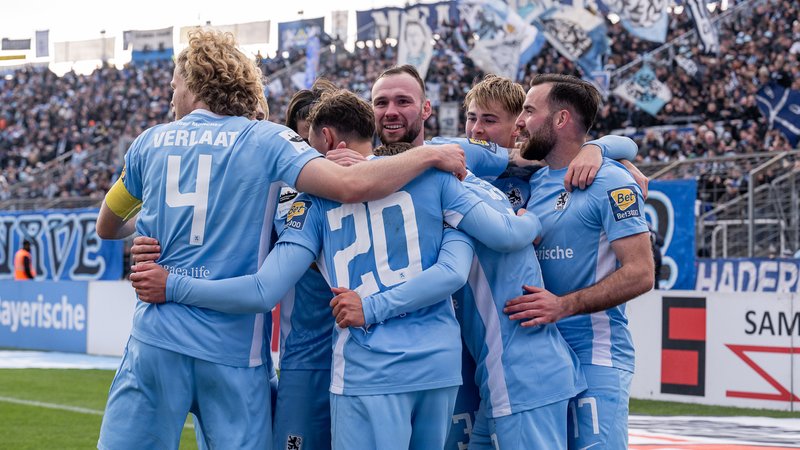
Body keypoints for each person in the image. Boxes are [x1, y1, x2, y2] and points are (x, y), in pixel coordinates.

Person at [95, 30, 467, 450]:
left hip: (156, 341)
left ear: (195, 84)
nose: (171, 97)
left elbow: (108, 226)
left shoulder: (149, 142)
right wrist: (430, 153)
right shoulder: (268, 138)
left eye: (174, 86)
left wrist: (143, 234)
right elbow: (349, 185)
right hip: (234, 353)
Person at [128, 88, 543, 450]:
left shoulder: (311, 203)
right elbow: (483, 247)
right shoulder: (437, 175)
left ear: (325, 139)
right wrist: (533, 219)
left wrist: (172, 283)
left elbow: (262, 290)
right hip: (438, 368)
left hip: (367, 368)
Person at [504, 74, 655, 450]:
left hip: (595, 355)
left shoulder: (612, 180)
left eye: (529, 111)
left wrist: (563, 305)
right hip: (540, 358)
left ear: (561, 119)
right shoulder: (534, 181)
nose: (519, 122)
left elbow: (641, 273)